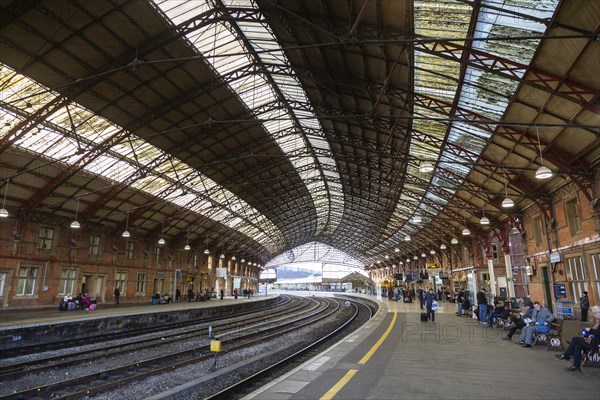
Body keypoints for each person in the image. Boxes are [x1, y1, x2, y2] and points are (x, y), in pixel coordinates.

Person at [555, 305, 600, 371]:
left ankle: (566, 355)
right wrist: (588, 333)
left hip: (597, 343)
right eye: (593, 313)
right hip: (594, 341)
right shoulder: (598, 321)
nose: (593, 315)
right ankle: (576, 366)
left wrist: (590, 330)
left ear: (598, 312)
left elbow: (598, 333)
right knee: (577, 345)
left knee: (575, 339)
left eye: (594, 313)